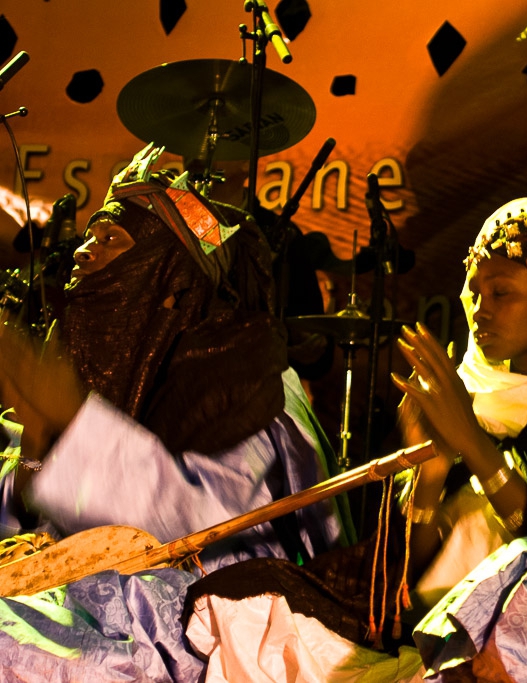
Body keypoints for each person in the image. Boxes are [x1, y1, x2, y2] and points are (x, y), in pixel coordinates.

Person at [178, 197, 527, 681]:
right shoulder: (464, 393)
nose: (481, 310)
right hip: (428, 623)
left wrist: (473, 443)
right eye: (475, 293)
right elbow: (403, 579)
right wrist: (429, 475)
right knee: (242, 602)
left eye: (502, 293)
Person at [0, 143, 346, 569]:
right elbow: (25, 527)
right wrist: (35, 449)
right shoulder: (86, 358)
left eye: (110, 238)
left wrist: (73, 421)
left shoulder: (245, 377)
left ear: (171, 277)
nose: (81, 250)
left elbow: (205, 532)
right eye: (91, 235)